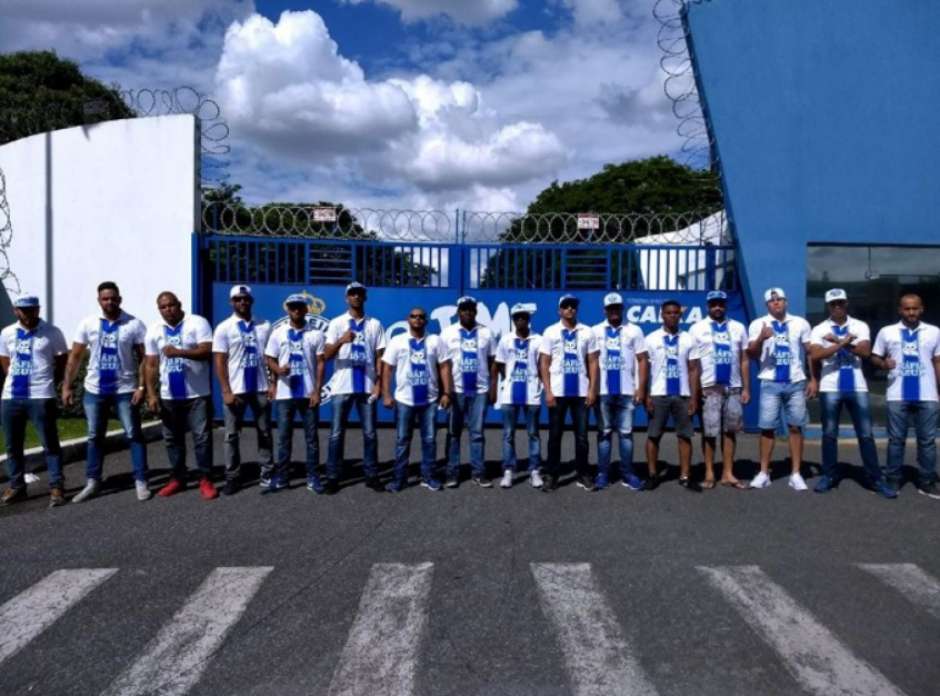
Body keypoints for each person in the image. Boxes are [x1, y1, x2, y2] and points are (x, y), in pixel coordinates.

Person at [63, 281, 150, 503]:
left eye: (113, 298)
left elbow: (145, 358)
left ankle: (141, 480)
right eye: (105, 298)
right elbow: (75, 356)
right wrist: (67, 385)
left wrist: (142, 387)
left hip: (125, 389)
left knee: (133, 434)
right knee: (94, 436)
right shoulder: (88, 323)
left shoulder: (134, 324)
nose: (109, 302)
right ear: (99, 300)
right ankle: (93, 481)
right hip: (94, 389)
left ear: (120, 299)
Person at [809, 289, 895, 497]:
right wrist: (844, 343)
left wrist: (838, 343)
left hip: (857, 387)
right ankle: (829, 475)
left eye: (840, 303)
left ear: (846, 304)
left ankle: (875, 478)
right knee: (829, 434)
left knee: (866, 434)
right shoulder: (820, 328)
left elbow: (865, 352)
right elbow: (815, 354)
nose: (837, 307)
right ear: (828, 306)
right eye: (833, 304)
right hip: (830, 387)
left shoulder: (859, 325)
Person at [144, 291, 217, 500]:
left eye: (171, 305)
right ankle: (177, 477)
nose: (168, 310)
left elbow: (206, 351)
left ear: (179, 304)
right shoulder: (155, 330)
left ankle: (205, 478)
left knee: (201, 438)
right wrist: (151, 394)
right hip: (169, 395)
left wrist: (180, 352)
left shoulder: (197, 323)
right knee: (172, 439)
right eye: (163, 307)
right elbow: (150, 364)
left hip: (197, 394)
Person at [0, 296, 68, 508]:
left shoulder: (52, 332)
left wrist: (50, 382)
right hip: (12, 396)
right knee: (12, 445)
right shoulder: (7, 333)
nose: (28, 314)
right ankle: (17, 485)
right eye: (24, 310)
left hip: (41, 395)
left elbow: (61, 361)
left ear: (38, 309)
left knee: (49, 443)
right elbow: (5, 361)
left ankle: (56, 485)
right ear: (16, 311)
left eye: (32, 309)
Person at [746, 287, 817, 490]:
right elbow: (751, 353)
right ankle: (763, 472)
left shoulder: (800, 323)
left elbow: (810, 352)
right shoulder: (758, 324)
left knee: (796, 427)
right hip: (770, 382)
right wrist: (761, 338)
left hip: (795, 382)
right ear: (767, 304)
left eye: (780, 300)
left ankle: (795, 473)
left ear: (786, 302)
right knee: (767, 428)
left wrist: (813, 379)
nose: (776, 303)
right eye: (772, 300)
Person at [871, 293, 940, 498]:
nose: (911, 312)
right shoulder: (887, 332)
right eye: (907, 308)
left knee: (927, 440)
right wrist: (883, 364)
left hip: (927, 394)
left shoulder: (934, 332)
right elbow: (874, 357)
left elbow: (937, 362)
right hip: (897, 393)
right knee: (896, 440)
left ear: (921, 309)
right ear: (900, 310)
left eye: (915, 308)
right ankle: (893, 480)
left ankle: (927, 481)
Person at [323, 282, 385, 492]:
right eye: (352, 294)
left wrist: (378, 384)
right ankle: (333, 476)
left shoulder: (374, 324)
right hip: (342, 386)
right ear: (346, 298)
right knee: (336, 433)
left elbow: (380, 358)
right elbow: (327, 355)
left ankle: (372, 475)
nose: (356, 297)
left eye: (359, 294)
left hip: (366, 386)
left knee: (370, 433)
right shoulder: (337, 323)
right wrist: (342, 340)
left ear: (365, 297)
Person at [212, 284, 273, 496]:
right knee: (231, 435)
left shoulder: (265, 325)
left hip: (261, 387)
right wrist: (225, 390)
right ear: (232, 302)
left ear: (251, 301)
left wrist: (273, 384)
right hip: (236, 389)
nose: (242, 302)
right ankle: (233, 476)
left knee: (264, 432)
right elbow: (219, 361)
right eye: (238, 299)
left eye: (246, 299)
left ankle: (266, 473)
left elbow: (271, 357)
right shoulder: (224, 327)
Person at [381, 306, 449, 492]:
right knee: (402, 440)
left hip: (429, 400)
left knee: (429, 440)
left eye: (420, 317)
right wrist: (386, 394)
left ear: (425, 320)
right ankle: (399, 480)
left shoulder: (435, 341)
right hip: (404, 400)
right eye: (413, 316)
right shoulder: (398, 341)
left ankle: (428, 477)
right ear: (408, 319)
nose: (417, 319)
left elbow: (444, 367)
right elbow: (387, 368)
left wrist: (446, 393)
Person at [264, 294, 325, 493]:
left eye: (300, 307)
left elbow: (321, 364)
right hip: (284, 394)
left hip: (308, 393)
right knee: (283, 437)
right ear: (287, 310)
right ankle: (282, 477)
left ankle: (313, 477)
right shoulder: (278, 333)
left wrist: (317, 390)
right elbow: (269, 358)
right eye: (293, 307)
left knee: (311, 438)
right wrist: (277, 373)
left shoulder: (315, 334)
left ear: (306, 309)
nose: (296, 310)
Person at [689, 290, 749, 489]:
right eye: (714, 304)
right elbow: (694, 364)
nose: (717, 307)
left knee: (730, 431)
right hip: (709, 389)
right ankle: (709, 472)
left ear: (725, 305)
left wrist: (746, 388)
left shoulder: (739, 328)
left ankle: (728, 472)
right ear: (708, 306)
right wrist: (695, 392)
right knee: (710, 433)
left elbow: (744, 360)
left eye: (721, 304)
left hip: (733, 387)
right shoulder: (697, 328)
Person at [538, 294, 599, 492]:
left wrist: (592, 390)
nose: (570, 309)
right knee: (555, 436)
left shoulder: (587, 332)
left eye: (573, 306)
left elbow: (592, 362)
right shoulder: (551, 332)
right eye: (566, 306)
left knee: (582, 436)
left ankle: (583, 474)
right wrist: (547, 391)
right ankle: (552, 475)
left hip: (581, 392)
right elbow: (544, 363)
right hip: (557, 392)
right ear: (559, 310)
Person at [591, 292, 648, 491]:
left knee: (626, 434)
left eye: (617, 308)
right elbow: (590, 361)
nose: (614, 311)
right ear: (605, 310)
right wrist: (592, 389)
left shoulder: (635, 330)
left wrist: (640, 388)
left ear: (622, 309)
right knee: (604, 434)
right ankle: (602, 473)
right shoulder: (595, 331)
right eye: (610, 308)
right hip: (603, 391)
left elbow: (642, 360)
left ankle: (627, 473)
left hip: (626, 391)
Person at [440, 296, 496, 487]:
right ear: (458, 312)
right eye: (464, 309)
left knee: (477, 433)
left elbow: (491, 361)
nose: (467, 312)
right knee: (453, 432)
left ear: (476, 311)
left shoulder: (486, 333)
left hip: (479, 390)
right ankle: (452, 472)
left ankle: (478, 472)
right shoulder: (447, 333)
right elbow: (443, 363)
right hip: (455, 390)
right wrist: (444, 391)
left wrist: (492, 386)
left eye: (471, 309)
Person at [644, 300, 699, 491]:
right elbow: (645, 369)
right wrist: (646, 395)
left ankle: (685, 475)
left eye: (676, 313)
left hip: (682, 394)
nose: (672, 316)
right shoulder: (651, 339)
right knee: (653, 436)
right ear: (662, 315)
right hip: (658, 394)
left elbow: (693, 370)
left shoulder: (689, 339)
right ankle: (652, 474)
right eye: (668, 313)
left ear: (680, 315)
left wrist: (693, 397)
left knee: (685, 436)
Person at [493, 303, 543, 489]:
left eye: (524, 316)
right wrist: (508, 380)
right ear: (513, 320)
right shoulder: (506, 340)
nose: (521, 320)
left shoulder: (539, 339)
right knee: (508, 434)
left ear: (529, 319)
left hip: (532, 393)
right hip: (509, 395)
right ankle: (508, 470)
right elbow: (499, 364)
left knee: (533, 434)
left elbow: (542, 365)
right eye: (517, 317)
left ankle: (535, 471)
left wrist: (539, 384)